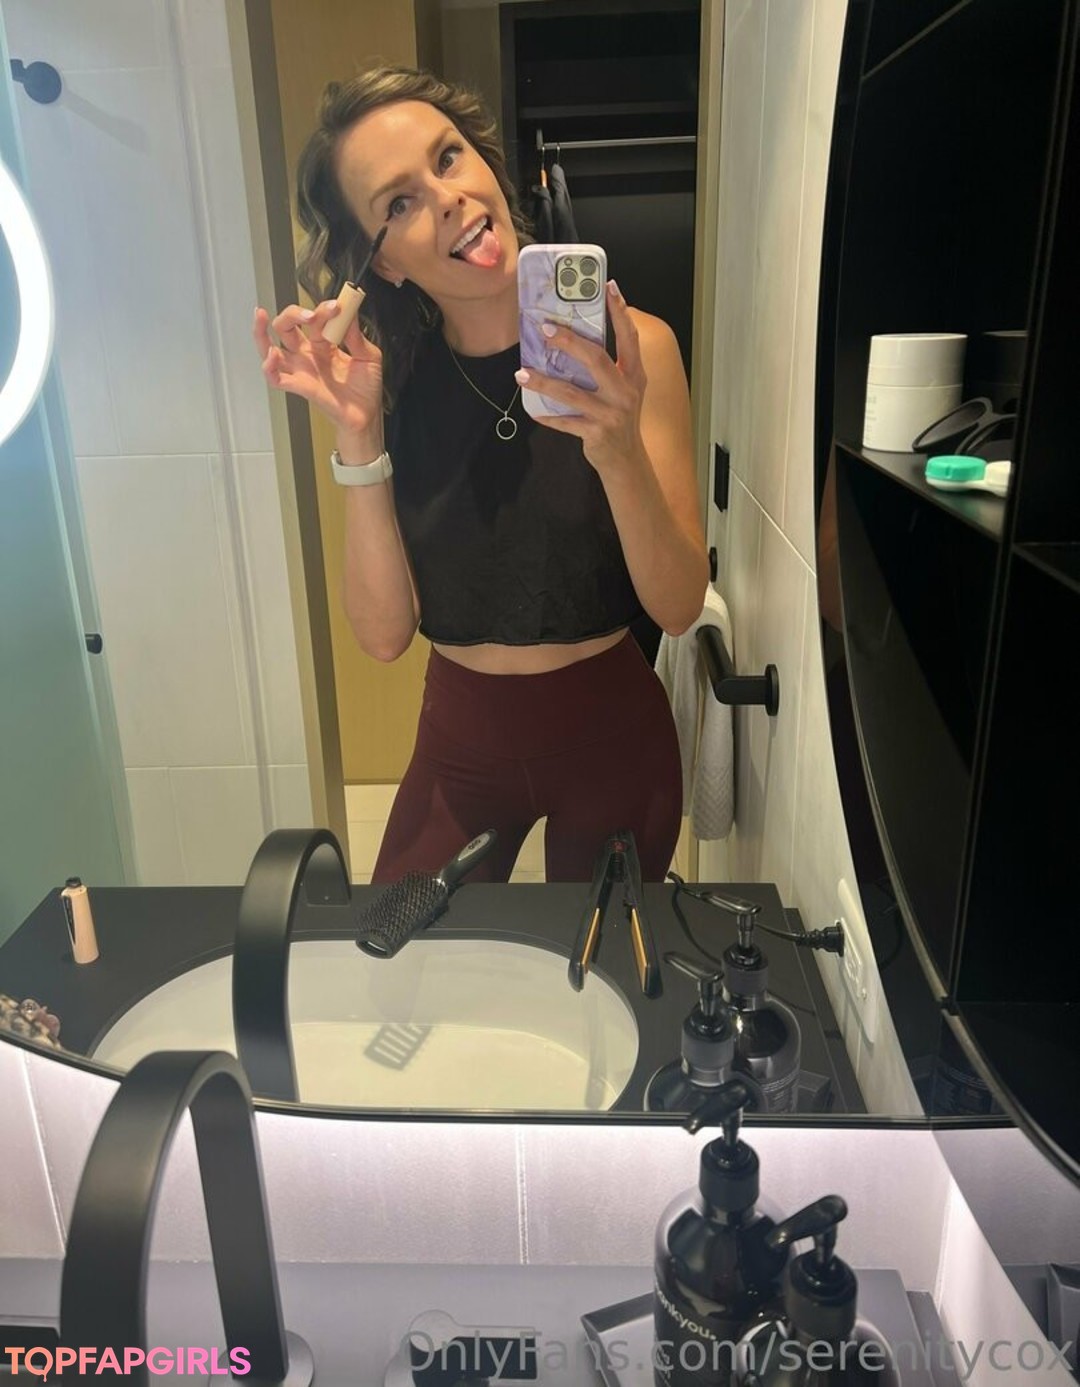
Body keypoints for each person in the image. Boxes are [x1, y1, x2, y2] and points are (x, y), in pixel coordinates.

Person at [253, 65, 707, 884]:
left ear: (486, 163)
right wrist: (359, 438)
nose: (447, 197)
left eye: (448, 157)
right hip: (460, 742)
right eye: (399, 203)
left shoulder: (637, 351)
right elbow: (384, 637)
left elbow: (677, 607)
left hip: (615, 735)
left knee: (595, 964)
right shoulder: (392, 386)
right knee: (405, 948)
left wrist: (617, 451)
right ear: (383, 267)